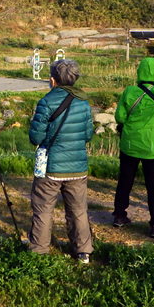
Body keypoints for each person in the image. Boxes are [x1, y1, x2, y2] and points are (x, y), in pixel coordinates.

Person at [28, 59, 94, 263]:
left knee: (43, 208)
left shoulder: (46, 102)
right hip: (77, 166)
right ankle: (83, 251)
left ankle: (39, 250)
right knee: (78, 210)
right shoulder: (84, 102)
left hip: (51, 167)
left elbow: (36, 138)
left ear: (52, 80)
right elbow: (88, 134)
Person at [113, 58, 154, 238]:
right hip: (153, 146)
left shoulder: (129, 91)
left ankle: (119, 215)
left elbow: (120, 117)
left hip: (130, 145)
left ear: (139, 71)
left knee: (125, 181)